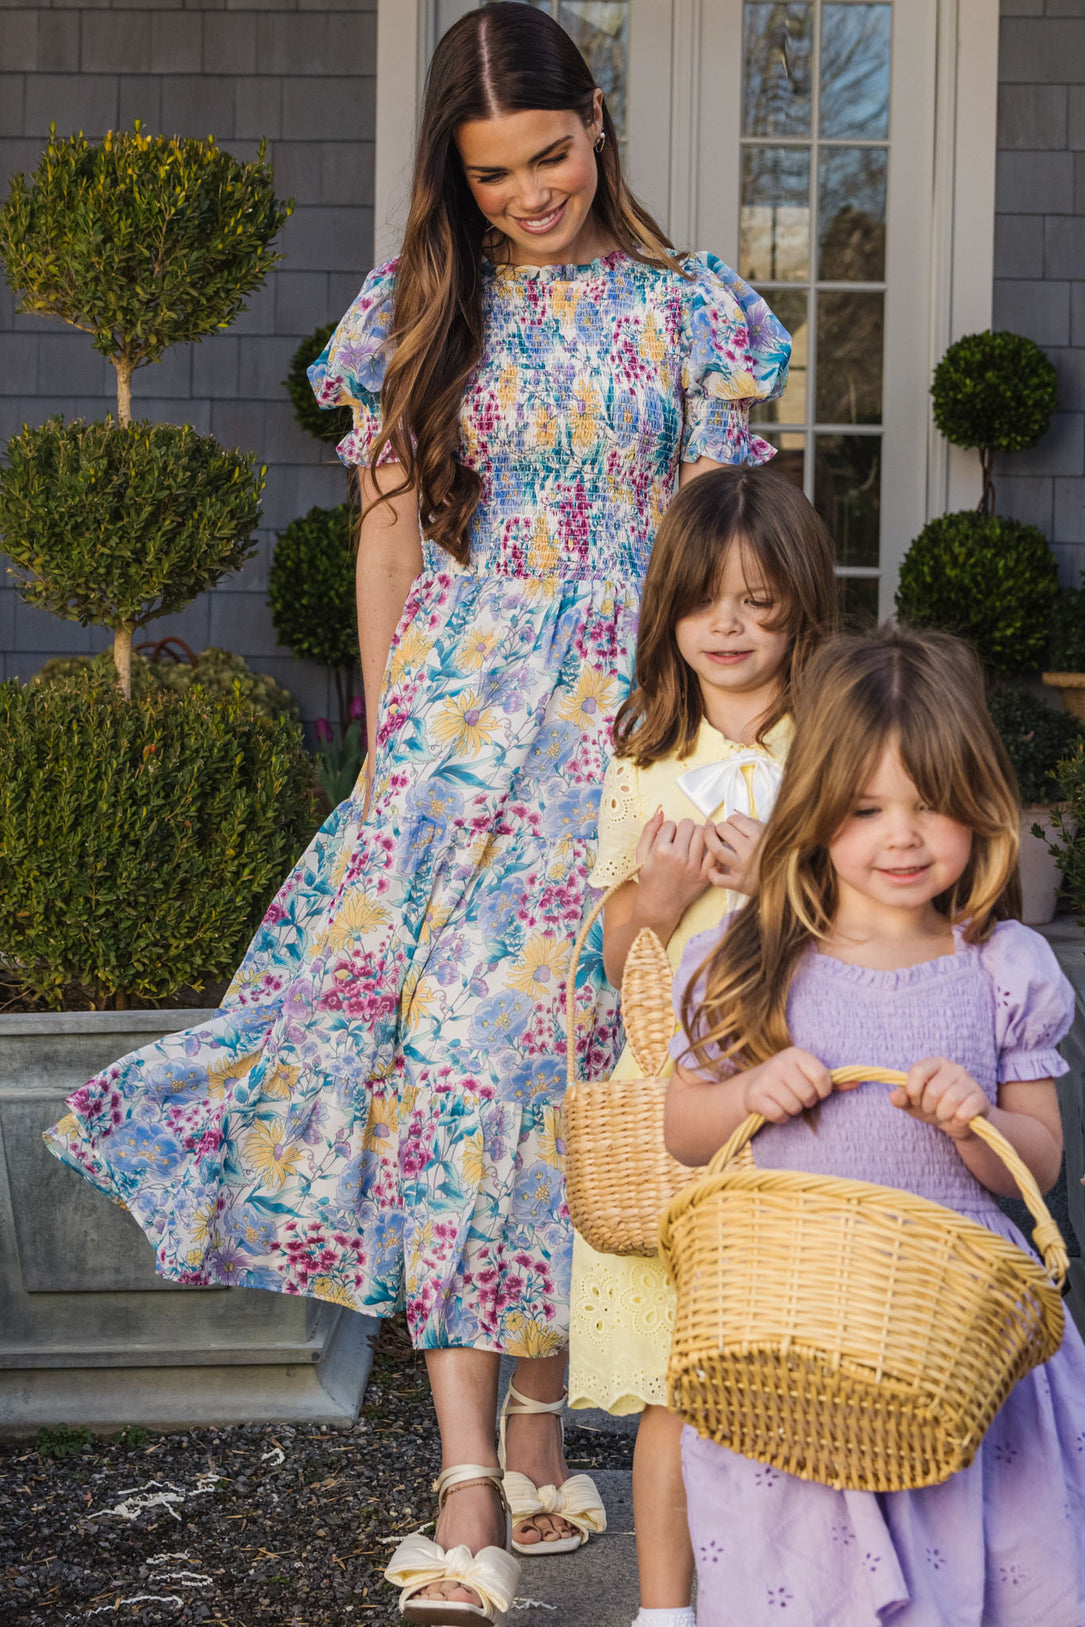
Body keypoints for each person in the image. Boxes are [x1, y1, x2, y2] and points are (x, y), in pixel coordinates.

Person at [43, 6, 790, 1622]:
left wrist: (757, 752)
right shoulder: (420, 310)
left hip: (634, 741)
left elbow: (750, 544)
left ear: (599, 121)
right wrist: (393, 753)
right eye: (492, 169)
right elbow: (390, 545)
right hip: (455, 744)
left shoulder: (694, 314)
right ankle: (466, 1484)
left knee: (577, 1076)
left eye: (552, 154)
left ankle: (539, 1439)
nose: (529, 191)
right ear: (453, 174)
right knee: (453, 1070)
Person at [664, 624, 1085, 1627]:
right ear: (811, 812)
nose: (902, 836)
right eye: (864, 809)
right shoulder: (755, 956)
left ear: (979, 806)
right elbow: (684, 1127)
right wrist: (746, 1093)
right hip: (792, 1346)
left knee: (971, 1579)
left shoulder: (997, 964)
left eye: (932, 806)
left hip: (956, 1351)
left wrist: (975, 1121)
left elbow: (1039, 1160)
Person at [567, 463, 836, 1627]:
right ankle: (665, 1610)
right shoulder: (636, 757)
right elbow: (596, 947)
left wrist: (775, 867)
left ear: (801, 608)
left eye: (758, 601)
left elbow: (874, 910)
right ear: (666, 608)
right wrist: (655, 892)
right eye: (702, 600)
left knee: (793, 1358)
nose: (726, 626)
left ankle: (806, 1588)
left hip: (799, 1083)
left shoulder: (830, 749)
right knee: (678, 1376)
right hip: (670, 1099)